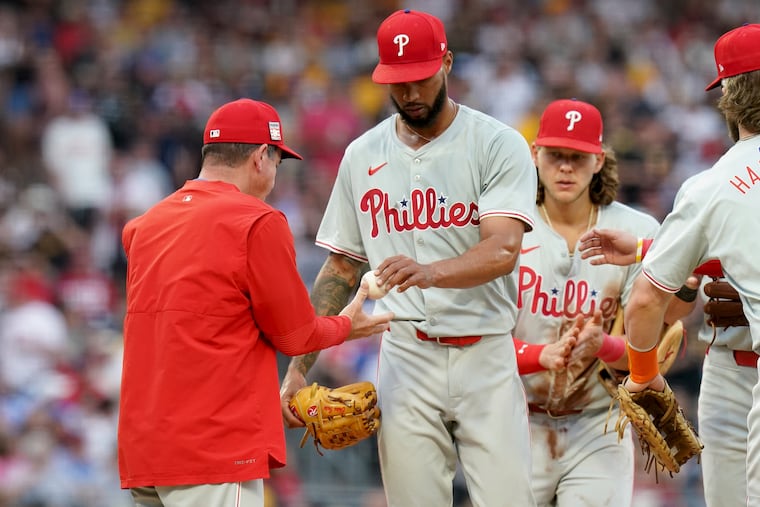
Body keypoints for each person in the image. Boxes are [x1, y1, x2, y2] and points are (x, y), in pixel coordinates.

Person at [279, 9, 539, 506]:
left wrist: (430, 273)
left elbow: (504, 249)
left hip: (485, 350)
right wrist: (298, 367)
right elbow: (340, 268)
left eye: (419, 78)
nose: (410, 93)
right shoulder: (361, 154)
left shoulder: (497, 142)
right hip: (405, 353)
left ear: (446, 62)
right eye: (397, 82)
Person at [117, 98, 393, 507]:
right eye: (278, 162)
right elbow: (296, 335)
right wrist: (346, 325)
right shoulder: (256, 220)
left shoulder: (144, 226)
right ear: (262, 157)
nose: (275, 175)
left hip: (146, 448)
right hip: (213, 449)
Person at [603, 23, 760, 506]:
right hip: (733, 370)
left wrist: (643, 373)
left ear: (728, 96)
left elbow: (649, 299)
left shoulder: (715, 185)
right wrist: (649, 250)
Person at [510, 98, 660, 506]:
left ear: (598, 161)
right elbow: (477, 339)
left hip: (598, 425)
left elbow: (655, 350)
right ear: (535, 154)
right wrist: (540, 354)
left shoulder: (637, 230)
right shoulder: (505, 228)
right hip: (513, 422)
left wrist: (605, 346)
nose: (565, 167)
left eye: (578, 157)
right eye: (556, 154)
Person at [579, 229, 755, 506]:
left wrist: (643, 248)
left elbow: (647, 303)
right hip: (724, 368)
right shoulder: (708, 193)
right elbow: (671, 312)